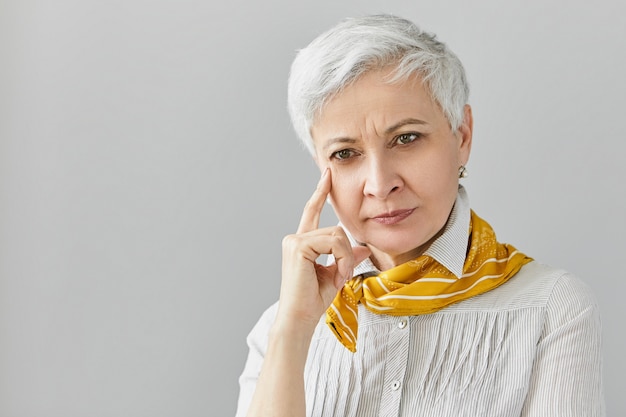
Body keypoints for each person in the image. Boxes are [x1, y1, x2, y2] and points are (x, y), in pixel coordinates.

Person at [235, 14, 604, 417]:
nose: (379, 183)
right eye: (345, 153)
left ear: (461, 136)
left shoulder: (551, 310)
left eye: (406, 138)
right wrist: (292, 329)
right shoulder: (278, 329)